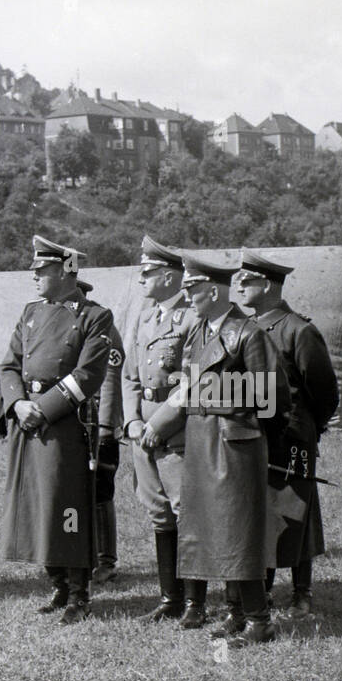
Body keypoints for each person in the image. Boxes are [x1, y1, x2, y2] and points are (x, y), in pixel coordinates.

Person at [144, 252, 290, 648]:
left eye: (193, 288)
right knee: (216, 530)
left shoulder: (248, 334)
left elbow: (271, 395)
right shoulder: (204, 333)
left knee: (238, 532)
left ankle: (259, 620)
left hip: (235, 444)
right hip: (204, 439)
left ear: (213, 290)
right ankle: (237, 613)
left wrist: (204, 395)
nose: (187, 295)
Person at [0, 235, 114, 624]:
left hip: (62, 425)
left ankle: (79, 593)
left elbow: (88, 374)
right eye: (34, 271)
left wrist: (44, 410)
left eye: (42, 270)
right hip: (25, 420)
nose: (35, 277)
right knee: (35, 506)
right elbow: (9, 365)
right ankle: (58, 585)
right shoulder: (30, 313)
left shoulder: (94, 316)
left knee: (67, 509)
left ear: (66, 271)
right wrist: (17, 404)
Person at [232, 249, 340, 617]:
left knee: (296, 509)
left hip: (292, 435)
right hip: (254, 434)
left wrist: (310, 428)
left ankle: (301, 592)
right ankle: (260, 589)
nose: (240, 287)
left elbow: (324, 391)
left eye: (247, 281)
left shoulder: (299, 330)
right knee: (259, 510)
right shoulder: (244, 329)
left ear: (267, 285)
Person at [122, 236, 207, 627]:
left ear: (172, 277)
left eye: (149, 272)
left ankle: (194, 603)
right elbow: (128, 375)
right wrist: (134, 421)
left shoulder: (192, 319)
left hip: (176, 430)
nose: (143, 278)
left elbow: (193, 382)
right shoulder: (144, 316)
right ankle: (169, 598)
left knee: (185, 513)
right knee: (159, 515)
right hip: (143, 430)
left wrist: (158, 425)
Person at [76, 278, 124, 585]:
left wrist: (106, 425)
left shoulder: (100, 322)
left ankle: (106, 560)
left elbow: (111, 376)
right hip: (70, 420)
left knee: (100, 490)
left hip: (97, 423)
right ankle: (79, 555)